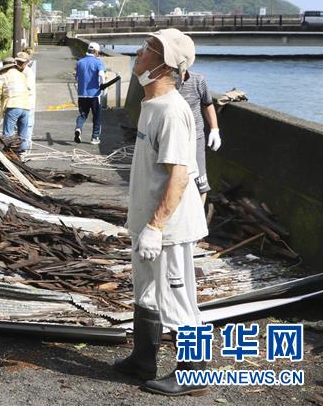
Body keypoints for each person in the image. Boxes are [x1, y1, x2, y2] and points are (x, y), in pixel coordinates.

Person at [113, 28, 209, 397]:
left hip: (167, 228)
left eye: (150, 49)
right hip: (147, 224)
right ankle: (143, 358)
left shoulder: (171, 111)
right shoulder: (150, 106)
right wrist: (143, 225)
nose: (141, 52)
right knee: (147, 294)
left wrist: (156, 226)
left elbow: (180, 177)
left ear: (166, 65)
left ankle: (194, 374)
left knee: (178, 301)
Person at [178, 70, 222, 204]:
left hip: (196, 137)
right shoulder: (164, 82)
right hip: (173, 138)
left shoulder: (198, 80)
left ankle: (198, 219)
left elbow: (208, 104)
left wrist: (214, 129)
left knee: (201, 183)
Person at [0, 57, 30, 151]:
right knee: (22, 133)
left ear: (5, 67)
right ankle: (22, 150)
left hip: (13, 105)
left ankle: (8, 153)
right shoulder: (22, 75)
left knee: (8, 133)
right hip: (25, 106)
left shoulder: (4, 76)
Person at [74, 42, 106, 145]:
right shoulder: (98, 62)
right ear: (96, 51)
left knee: (83, 114)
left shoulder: (80, 62)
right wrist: (103, 87)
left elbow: (77, 78)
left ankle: (78, 128)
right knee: (97, 116)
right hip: (95, 94)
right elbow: (101, 74)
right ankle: (95, 137)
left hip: (82, 94)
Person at [15, 51, 36, 144]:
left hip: (28, 104)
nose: (19, 63)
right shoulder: (16, 71)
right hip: (18, 103)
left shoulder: (29, 72)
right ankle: (19, 147)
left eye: (22, 62)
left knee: (27, 126)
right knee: (17, 127)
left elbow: (28, 87)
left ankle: (25, 147)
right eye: (18, 61)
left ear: (27, 62)